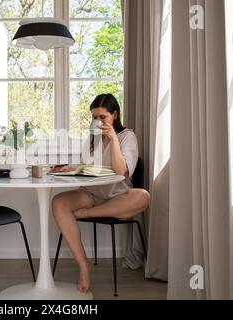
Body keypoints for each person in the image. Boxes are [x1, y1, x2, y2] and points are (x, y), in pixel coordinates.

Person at [50, 93, 151, 294]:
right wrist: (68, 168)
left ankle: (87, 213)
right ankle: (83, 264)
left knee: (143, 196)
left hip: (118, 196)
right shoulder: (93, 138)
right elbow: (86, 167)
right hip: (92, 194)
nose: (97, 122)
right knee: (58, 202)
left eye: (102, 117)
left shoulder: (127, 136)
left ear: (114, 115)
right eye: (94, 117)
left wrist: (113, 138)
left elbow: (122, 171)